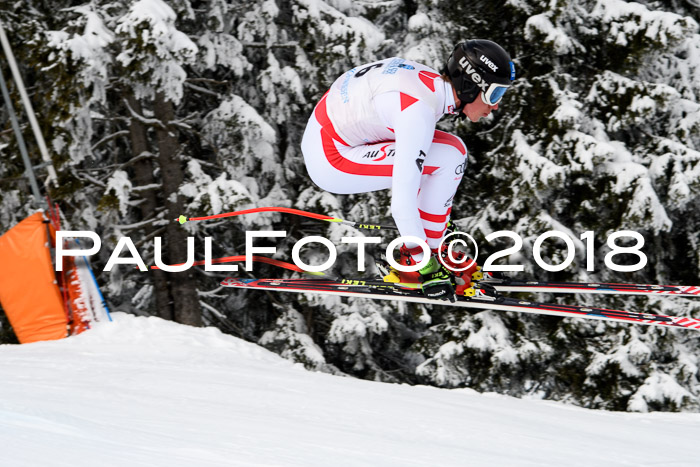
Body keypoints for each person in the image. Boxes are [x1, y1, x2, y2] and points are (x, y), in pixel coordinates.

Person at [301, 40, 515, 301]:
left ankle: (432, 247)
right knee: (449, 157)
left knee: (451, 152)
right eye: (494, 95)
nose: (495, 107)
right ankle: (417, 261)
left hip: (335, 133)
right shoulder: (417, 113)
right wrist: (424, 265)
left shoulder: (428, 88)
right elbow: (401, 202)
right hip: (331, 157)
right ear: (471, 85)